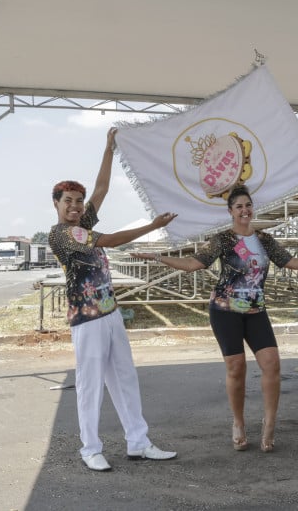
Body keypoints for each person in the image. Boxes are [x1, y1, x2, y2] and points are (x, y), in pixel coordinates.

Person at [131, 185, 298, 453]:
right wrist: (156, 257)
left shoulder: (264, 241)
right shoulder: (223, 240)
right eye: (239, 207)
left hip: (256, 311)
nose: (245, 211)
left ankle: (269, 424)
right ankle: (239, 422)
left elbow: (290, 262)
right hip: (225, 311)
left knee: (272, 365)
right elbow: (192, 264)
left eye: (248, 205)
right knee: (236, 368)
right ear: (230, 211)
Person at [49, 127, 179, 471]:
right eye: (68, 201)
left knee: (124, 378)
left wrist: (109, 149)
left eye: (78, 200)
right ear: (56, 204)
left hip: (110, 312)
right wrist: (152, 227)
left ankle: (139, 442)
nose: (75, 206)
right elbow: (108, 241)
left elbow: (103, 188)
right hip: (86, 318)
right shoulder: (61, 234)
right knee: (90, 384)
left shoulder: (83, 219)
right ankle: (90, 448)